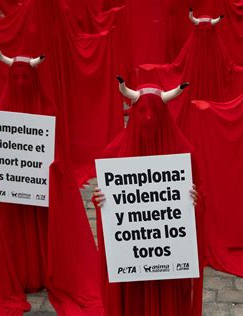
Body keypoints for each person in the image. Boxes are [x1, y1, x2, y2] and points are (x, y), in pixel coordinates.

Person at [0, 47, 103, 315]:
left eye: (26, 79)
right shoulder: (3, 109)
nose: (22, 84)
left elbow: (58, 151)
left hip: (41, 189)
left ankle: (47, 270)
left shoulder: (48, 109)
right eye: (17, 79)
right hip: (15, 188)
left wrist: (52, 164)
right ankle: (24, 271)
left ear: (34, 80)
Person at [92, 77, 204, 316]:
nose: (149, 118)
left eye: (155, 112)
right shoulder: (112, 155)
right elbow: (109, 211)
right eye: (142, 111)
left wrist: (194, 200)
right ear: (133, 113)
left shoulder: (184, 155)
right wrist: (100, 199)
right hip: (132, 260)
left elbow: (199, 203)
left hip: (168, 257)